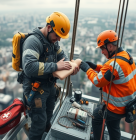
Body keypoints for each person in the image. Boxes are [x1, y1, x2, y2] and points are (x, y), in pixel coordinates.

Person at [22, 11, 79, 140]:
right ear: (48, 28)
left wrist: (70, 67)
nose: (59, 39)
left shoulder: (52, 41)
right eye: (57, 35)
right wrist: (55, 66)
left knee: (48, 117)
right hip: (35, 89)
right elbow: (29, 67)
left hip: (49, 86)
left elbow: (61, 56)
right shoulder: (33, 41)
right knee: (39, 123)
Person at [80, 30, 136, 140]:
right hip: (127, 105)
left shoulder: (113, 64)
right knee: (113, 125)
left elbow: (97, 81)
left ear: (110, 46)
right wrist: (95, 67)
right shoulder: (126, 56)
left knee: (96, 117)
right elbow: (113, 74)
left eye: (102, 48)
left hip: (116, 107)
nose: (102, 52)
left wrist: (87, 69)